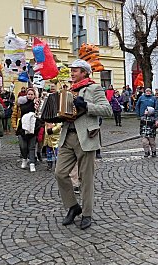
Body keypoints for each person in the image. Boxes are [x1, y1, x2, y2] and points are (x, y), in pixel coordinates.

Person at [55, 59, 112, 230]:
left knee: (85, 179)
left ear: (85, 72)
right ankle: (73, 206)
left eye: (76, 70)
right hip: (67, 136)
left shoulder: (95, 88)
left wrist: (87, 105)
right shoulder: (67, 91)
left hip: (86, 137)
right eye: (71, 70)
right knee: (60, 173)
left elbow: (107, 110)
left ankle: (87, 214)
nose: (72, 73)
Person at [16, 88, 39, 172]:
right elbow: (25, 110)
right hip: (23, 127)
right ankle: (24, 158)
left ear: (34, 95)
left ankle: (32, 163)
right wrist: (32, 104)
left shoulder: (37, 103)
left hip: (33, 128)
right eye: (28, 94)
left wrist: (37, 107)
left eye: (31, 94)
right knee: (23, 146)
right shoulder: (23, 102)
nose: (30, 96)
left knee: (32, 147)